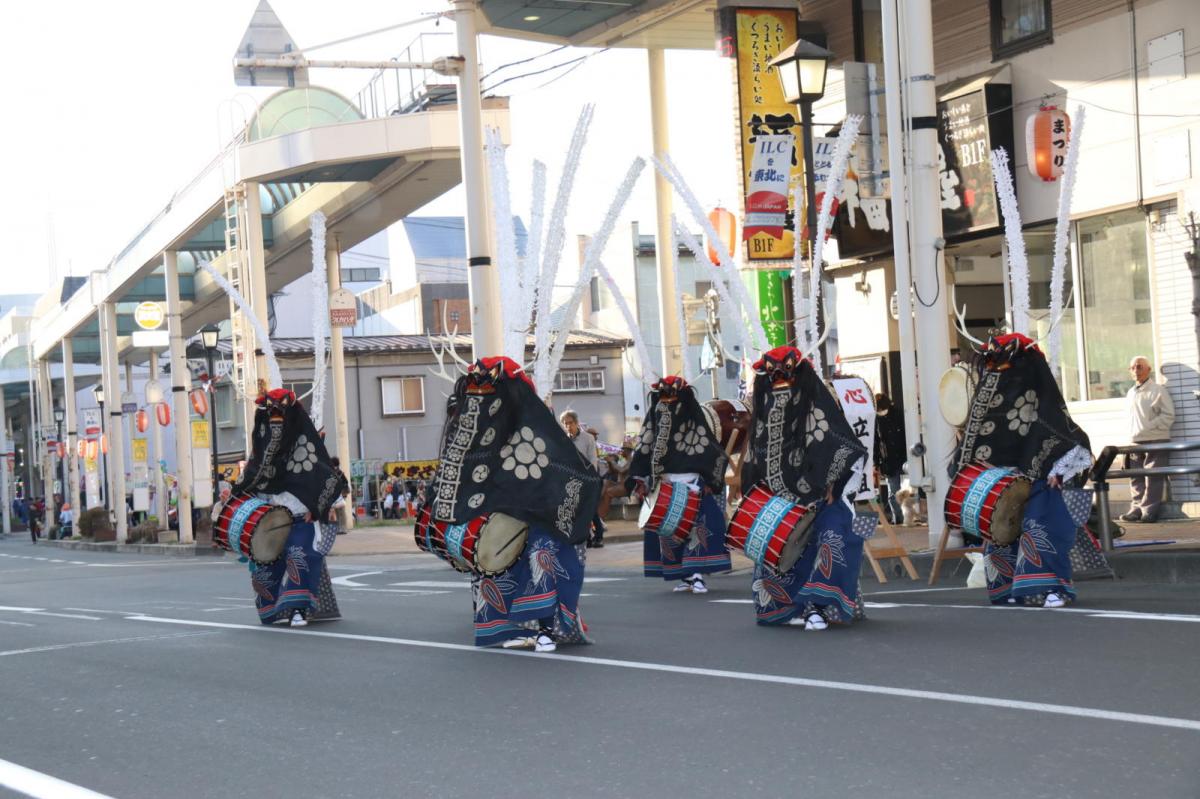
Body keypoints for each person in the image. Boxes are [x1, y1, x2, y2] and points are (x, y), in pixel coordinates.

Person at [423, 357, 602, 652]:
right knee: (515, 564)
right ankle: (527, 629)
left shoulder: (512, 421)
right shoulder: (496, 420)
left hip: (522, 512)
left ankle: (533, 630)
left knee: (528, 562)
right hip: (511, 514)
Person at [950, 334, 1093, 608]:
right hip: (1003, 479)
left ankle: (1053, 588)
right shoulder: (993, 391)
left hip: (1041, 477)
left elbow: (1066, 435)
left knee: (1039, 528)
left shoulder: (1037, 391)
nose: (998, 370)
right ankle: (1012, 587)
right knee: (1003, 532)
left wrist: (1058, 467)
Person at [739, 347, 871, 630]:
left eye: (785, 372)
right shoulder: (763, 411)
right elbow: (754, 457)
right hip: (779, 501)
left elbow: (844, 446)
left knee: (834, 537)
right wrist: (754, 496)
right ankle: (786, 606)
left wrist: (834, 482)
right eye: (772, 374)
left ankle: (819, 606)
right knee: (773, 546)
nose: (778, 379)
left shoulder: (816, 404)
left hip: (821, 498)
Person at [229, 388, 348, 627]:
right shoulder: (262, 454)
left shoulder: (307, 446)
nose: (276, 424)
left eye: (280, 416)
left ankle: (298, 609)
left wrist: (320, 508)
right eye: (271, 416)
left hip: (303, 518)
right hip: (270, 519)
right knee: (264, 562)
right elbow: (251, 482)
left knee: (299, 554)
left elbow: (329, 480)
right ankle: (271, 611)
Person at [626, 376, 731, 593]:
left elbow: (709, 446)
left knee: (695, 529)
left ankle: (697, 574)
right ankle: (683, 575)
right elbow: (645, 444)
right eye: (664, 394)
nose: (668, 399)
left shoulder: (692, 415)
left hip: (690, 480)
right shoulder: (656, 412)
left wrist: (710, 478)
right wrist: (639, 477)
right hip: (663, 481)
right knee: (670, 530)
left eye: (672, 394)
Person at [1122, 355, 1175, 524]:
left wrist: (1149, 427)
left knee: (1153, 478)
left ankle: (1149, 511)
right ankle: (1136, 509)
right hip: (1134, 441)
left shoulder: (1158, 390)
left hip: (1155, 439)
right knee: (1136, 477)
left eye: (1140, 367)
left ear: (1148, 370)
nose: (1136, 370)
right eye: (1133, 367)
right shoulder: (1131, 392)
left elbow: (1168, 415)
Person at [560, 410, 607, 547]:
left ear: (576, 423)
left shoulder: (588, 438)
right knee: (576, 510)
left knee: (590, 509)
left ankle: (598, 537)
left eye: (570, 423)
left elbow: (593, 459)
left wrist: (588, 477)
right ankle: (585, 537)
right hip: (571, 480)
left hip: (589, 479)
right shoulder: (563, 440)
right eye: (565, 424)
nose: (568, 426)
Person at [873, 392, 907, 524]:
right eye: (879, 410)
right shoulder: (876, 420)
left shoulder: (898, 414)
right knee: (893, 492)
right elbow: (876, 442)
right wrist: (876, 463)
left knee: (906, 491)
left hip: (903, 457)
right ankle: (898, 518)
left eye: (882, 409)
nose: (881, 412)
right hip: (888, 461)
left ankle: (906, 517)